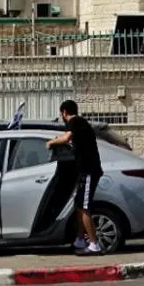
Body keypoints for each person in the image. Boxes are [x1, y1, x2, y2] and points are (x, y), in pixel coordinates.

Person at [47, 99, 104, 255]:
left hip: (89, 171)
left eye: (62, 115)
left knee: (84, 208)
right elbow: (67, 136)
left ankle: (94, 245)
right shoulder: (80, 124)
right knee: (79, 207)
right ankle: (80, 239)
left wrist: (51, 142)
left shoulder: (76, 122)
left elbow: (66, 138)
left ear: (64, 112)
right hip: (84, 171)